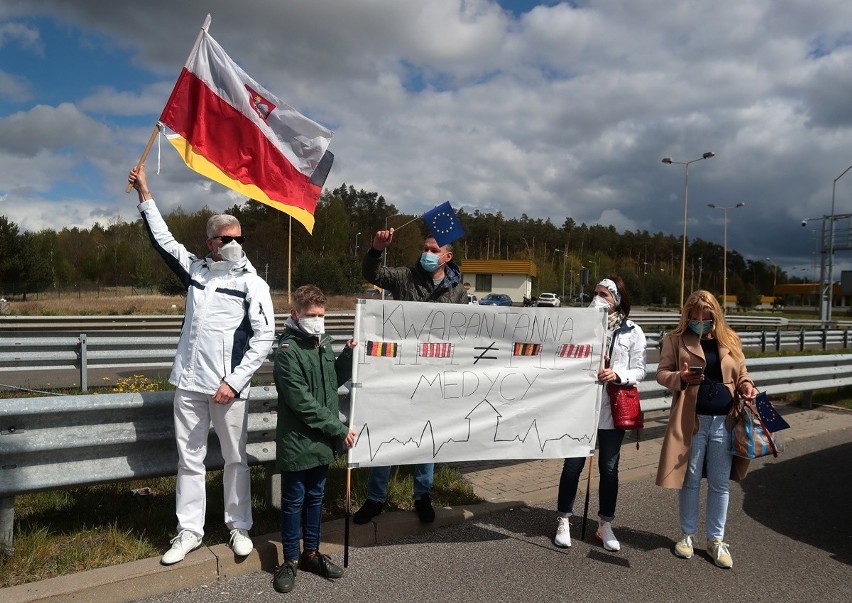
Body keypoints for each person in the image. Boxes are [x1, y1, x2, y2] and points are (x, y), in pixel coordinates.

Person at [128, 166, 275, 565]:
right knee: (189, 460)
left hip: (228, 389)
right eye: (226, 239)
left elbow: (264, 338)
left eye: (239, 238)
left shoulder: (253, 284)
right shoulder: (195, 271)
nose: (234, 244)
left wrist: (236, 380)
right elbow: (163, 240)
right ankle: (189, 530)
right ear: (210, 242)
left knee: (235, 459)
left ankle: (239, 526)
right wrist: (145, 193)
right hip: (189, 384)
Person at [353, 227, 467, 525]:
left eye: (433, 250)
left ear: (447, 256)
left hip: (433, 374)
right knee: (386, 432)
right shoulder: (404, 277)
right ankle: (375, 499)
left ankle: (422, 496)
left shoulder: (457, 291)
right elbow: (373, 273)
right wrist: (376, 248)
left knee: (426, 436)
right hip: (398, 371)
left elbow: (464, 332)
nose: (427, 254)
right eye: (425, 248)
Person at [656, 290, 757, 569]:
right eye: (694, 315)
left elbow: (743, 374)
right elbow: (662, 373)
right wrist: (682, 377)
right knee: (689, 480)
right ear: (687, 315)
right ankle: (687, 536)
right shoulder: (675, 339)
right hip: (693, 420)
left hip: (725, 422)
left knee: (720, 482)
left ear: (715, 314)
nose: (700, 319)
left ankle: (716, 540)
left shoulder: (730, 339)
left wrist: (747, 387)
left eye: (706, 315)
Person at [271, 284, 357, 594]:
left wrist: (347, 354)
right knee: (294, 502)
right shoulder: (287, 350)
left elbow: (332, 380)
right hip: (298, 439)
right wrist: (338, 428)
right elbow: (301, 402)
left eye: (322, 315)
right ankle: (290, 560)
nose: (317, 320)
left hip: (320, 441)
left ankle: (312, 554)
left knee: (316, 498)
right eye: (311, 315)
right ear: (295, 314)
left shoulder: (321, 342)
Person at [554, 276, 646, 551]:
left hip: (612, 409)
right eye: (595, 292)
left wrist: (617, 374)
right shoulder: (580, 327)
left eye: (604, 294)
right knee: (572, 465)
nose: (597, 298)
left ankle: (605, 524)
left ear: (616, 299)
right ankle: (563, 519)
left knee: (609, 468)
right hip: (581, 407)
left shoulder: (632, 331)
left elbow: (640, 370)